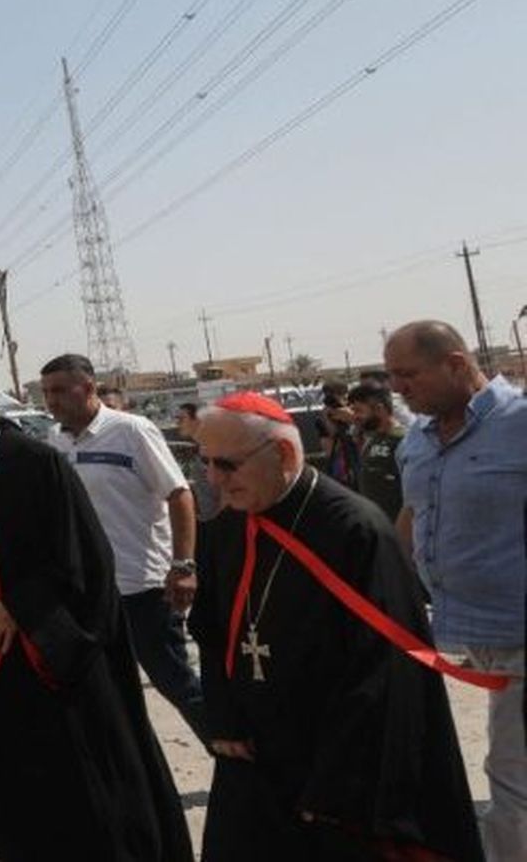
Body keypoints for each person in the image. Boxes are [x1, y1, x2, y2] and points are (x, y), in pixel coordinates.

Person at [187, 392, 483, 860]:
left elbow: (384, 669)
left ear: (282, 454)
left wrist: (339, 780)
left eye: (227, 465)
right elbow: (209, 628)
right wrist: (223, 718)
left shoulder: (352, 529)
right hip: (252, 753)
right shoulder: (229, 526)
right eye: (205, 462)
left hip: (336, 757)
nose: (213, 479)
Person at [0, 360, 192, 862]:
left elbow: (82, 558)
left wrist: (20, 606)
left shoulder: (34, 462)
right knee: (7, 792)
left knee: (74, 791)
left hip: (40, 657)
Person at [386, 320, 527, 858]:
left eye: (407, 374)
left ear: (456, 364)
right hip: (463, 634)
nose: (398, 387)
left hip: (519, 632)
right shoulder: (417, 441)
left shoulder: (520, 424)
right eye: (392, 376)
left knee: (512, 780)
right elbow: (414, 515)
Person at [40, 354, 206, 743]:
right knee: (106, 695)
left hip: (142, 588)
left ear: (90, 387)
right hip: (91, 594)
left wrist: (184, 565)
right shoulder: (55, 440)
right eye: (47, 392)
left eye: (61, 390)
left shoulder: (132, 431)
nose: (52, 400)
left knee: (178, 683)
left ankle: (238, 766)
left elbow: (180, 495)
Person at [345, 383, 403, 523]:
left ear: (379, 409)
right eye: (353, 411)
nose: (355, 417)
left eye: (359, 411)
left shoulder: (403, 441)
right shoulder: (370, 439)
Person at [177, 401, 222, 521]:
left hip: (219, 521)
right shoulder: (202, 448)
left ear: (197, 420)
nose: (178, 423)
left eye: (182, 419)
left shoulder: (211, 448)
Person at [315, 381, 359, 488]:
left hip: (357, 458)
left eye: (343, 395)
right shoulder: (323, 416)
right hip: (341, 462)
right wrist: (326, 418)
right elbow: (330, 444)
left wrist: (351, 417)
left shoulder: (353, 411)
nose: (341, 398)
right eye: (338, 395)